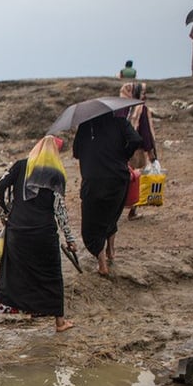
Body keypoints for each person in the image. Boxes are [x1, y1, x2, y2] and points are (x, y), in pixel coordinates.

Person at [0, 136, 76, 334]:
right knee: (51, 276)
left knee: (9, 274)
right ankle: (60, 322)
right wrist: (70, 238)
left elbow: (0, 186)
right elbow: (60, 210)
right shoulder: (57, 174)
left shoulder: (21, 166)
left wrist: (5, 214)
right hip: (44, 234)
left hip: (17, 230)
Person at [73, 113, 143, 276]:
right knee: (111, 215)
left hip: (93, 181)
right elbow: (136, 140)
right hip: (118, 177)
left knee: (92, 224)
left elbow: (76, 152)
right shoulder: (119, 122)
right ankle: (111, 251)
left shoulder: (85, 126)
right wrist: (123, 155)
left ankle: (102, 264)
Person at [118, 82, 158, 220]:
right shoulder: (141, 109)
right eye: (142, 93)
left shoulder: (118, 108)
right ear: (134, 93)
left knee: (121, 180)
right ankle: (133, 211)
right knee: (136, 179)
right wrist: (151, 151)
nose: (144, 95)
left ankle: (117, 208)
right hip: (136, 152)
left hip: (119, 150)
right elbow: (145, 132)